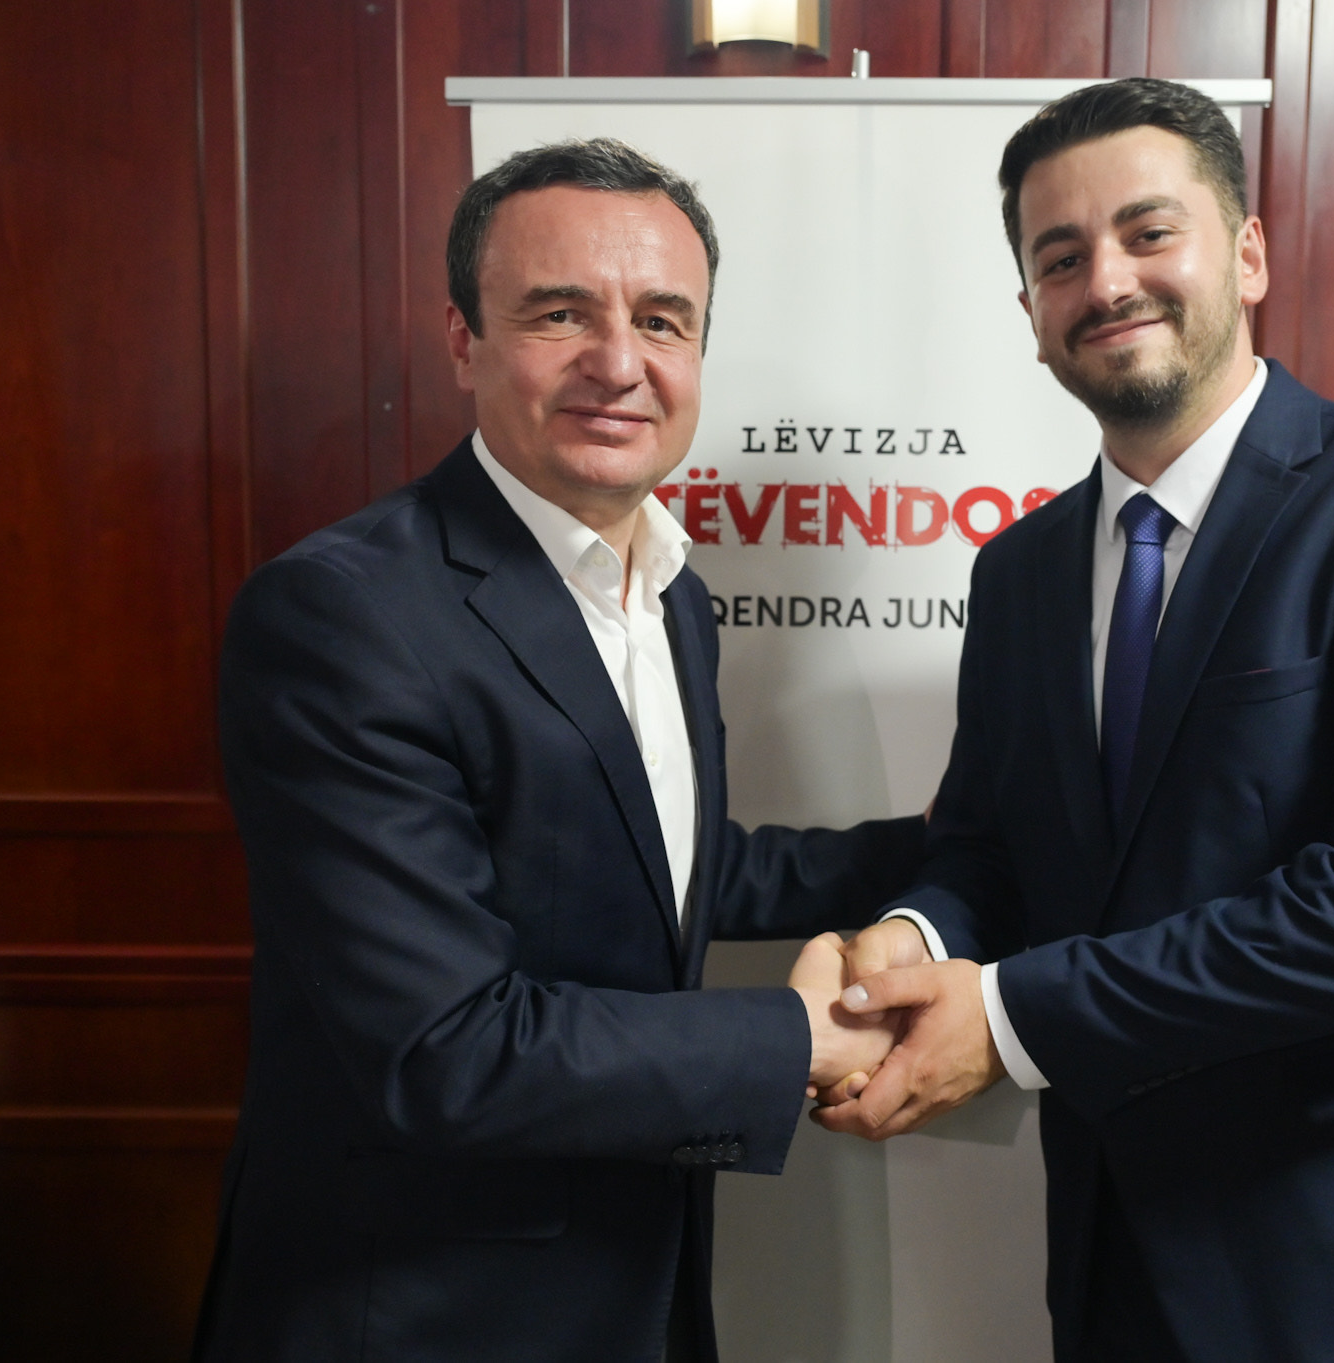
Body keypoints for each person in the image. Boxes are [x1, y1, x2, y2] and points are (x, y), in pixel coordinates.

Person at [819, 79, 1334, 1362]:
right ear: (1029, 317)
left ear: (1245, 256)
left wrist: (1008, 1018)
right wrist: (902, 950)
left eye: (1148, 233)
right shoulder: (1016, 573)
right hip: (1119, 1261)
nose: (1105, 282)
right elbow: (986, 847)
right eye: (1059, 258)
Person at [191, 138, 922, 1363]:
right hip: (425, 1319)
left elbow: (660, 864)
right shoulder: (340, 614)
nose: (619, 363)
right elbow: (446, 1048)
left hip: (637, 1285)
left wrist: (954, 843)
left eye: (662, 319)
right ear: (463, 340)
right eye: (560, 313)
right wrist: (798, 1037)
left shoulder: (672, 593)